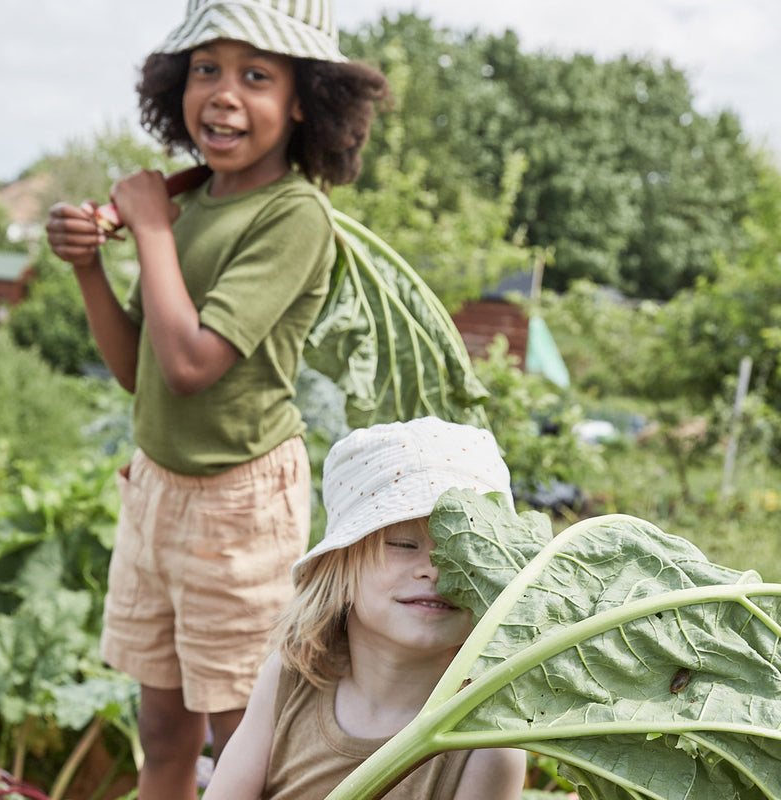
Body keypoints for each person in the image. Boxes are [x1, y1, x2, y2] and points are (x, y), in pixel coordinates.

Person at [44, 1, 389, 798]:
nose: (224, 94)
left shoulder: (294, 215)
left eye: (256, 76)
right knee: (162, 726)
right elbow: (139, 368)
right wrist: (92, 266)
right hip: (155, 491)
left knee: (243, 733)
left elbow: (195, 363)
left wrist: (151, 230)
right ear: (177, 86)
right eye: (207, 69)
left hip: (238, 508)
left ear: (304, 100)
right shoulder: (194, 204)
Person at [204, 416, 527, 800]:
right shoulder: (293, 675)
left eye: (463, 552)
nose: (434, 570)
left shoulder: (486, 746)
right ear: (340, 568)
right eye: (403, 545)